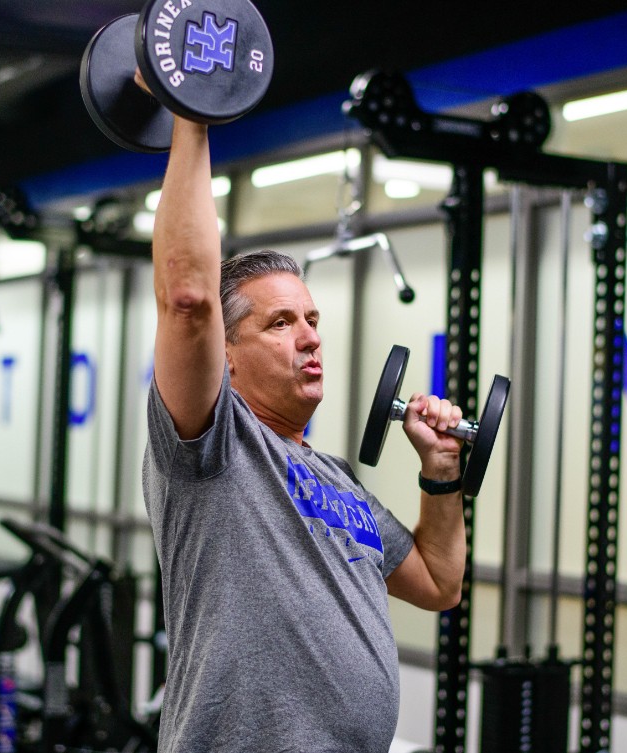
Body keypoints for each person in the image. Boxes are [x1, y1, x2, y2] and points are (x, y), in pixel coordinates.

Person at [141, 109, 468, 752]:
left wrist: (440, 473)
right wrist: (191, 116)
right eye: (281, 322)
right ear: (226, 353)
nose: (312, 336)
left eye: (313, 319)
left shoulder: (337, 478)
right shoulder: (214, 447)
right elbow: (187, 296)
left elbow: (440, 583)